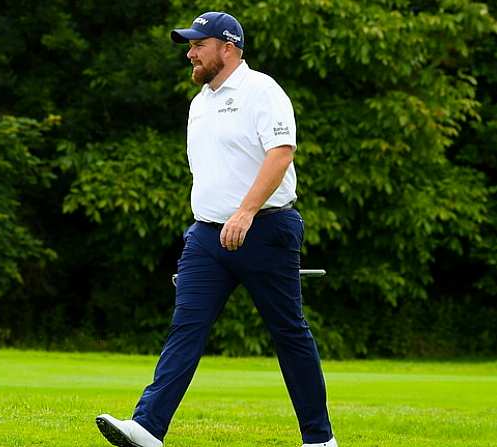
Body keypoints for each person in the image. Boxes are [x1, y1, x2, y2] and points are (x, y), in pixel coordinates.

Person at [95, 11, 337, 447]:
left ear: (228, 48)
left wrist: (244, 213)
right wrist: (207, 223)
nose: (190, 53)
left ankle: (319, 440)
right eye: (189, 45)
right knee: (186, 327)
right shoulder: (199, 103)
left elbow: (281, 153)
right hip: (206, 237)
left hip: (265, 229)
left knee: (288, 332)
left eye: (198, 45)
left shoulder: (262, 90)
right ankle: (147, 427)